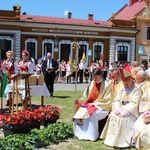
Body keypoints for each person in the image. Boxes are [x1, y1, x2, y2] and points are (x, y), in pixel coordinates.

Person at [100, 63, 141, 148]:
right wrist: (117, 110)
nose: (126, 84)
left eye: (127, 82)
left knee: (122, 119)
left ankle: (121, 142)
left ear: (131, 79)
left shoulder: (137, 88)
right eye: (124, 82)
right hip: (120, 110)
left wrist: (123, 111)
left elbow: (134, 103)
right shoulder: (121, 86)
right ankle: (111, 140)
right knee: (113, 117)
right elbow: (116, 99)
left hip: (131, 113)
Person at [73, 68, 113, 141]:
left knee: (91, 114)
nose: (94, 79)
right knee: (80, 110)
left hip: (102, 108)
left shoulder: (106, 85)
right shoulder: (91, 83)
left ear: (101, 76)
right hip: (89, 105)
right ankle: (80, 133)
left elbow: (107, 100)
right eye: (93, 77)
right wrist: (79, 102)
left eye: (96, 77)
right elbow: (85, 96)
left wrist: (95, 104)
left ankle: (91, 135)